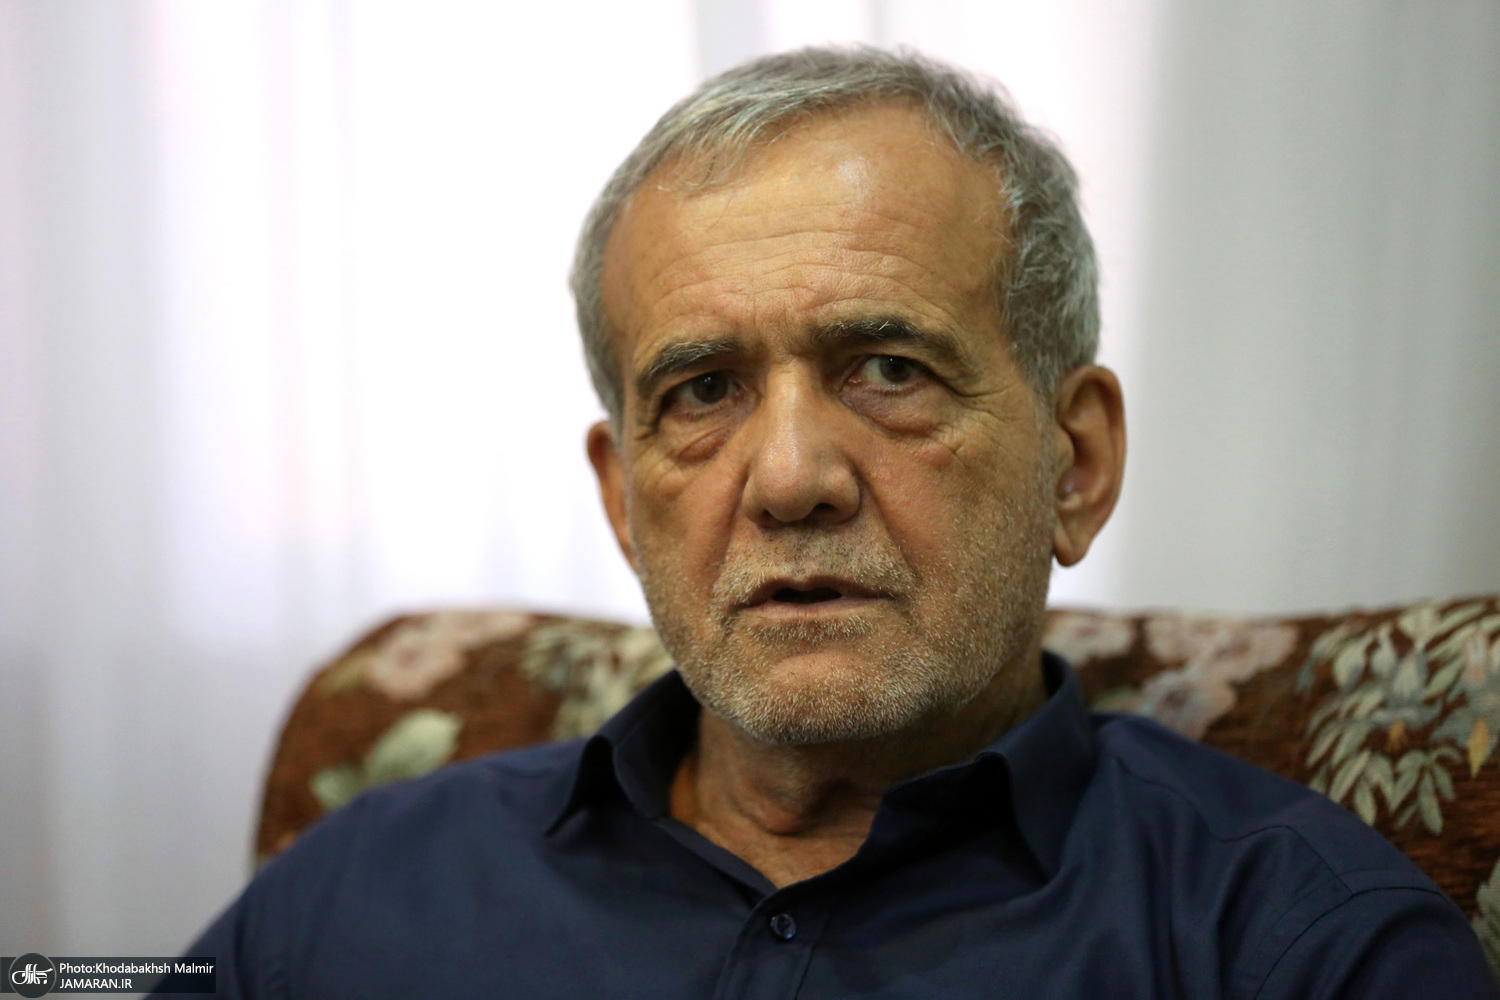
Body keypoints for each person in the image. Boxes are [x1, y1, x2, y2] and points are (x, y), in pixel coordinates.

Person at [176, 47, 1497, 997]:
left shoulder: (1302, 946)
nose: (792, 477)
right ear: (623, 497)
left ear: (1076, 463)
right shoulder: (363, 884)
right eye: (703, 392)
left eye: (888, 370)